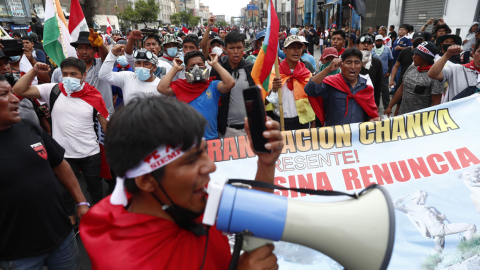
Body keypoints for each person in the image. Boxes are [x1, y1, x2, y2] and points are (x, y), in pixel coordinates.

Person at [79, 96, 282, 269]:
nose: (211, 167)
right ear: (146, 180)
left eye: (204, 151)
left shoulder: (182, 199)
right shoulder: (130, 261)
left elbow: (255, 216)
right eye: (192, 160)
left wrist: (265, 164)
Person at [0, 73, 89, 270]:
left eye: (13, 93)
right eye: (4, 94)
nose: (15, 99)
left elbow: (60, 164)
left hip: (61, 238)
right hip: (17, 254)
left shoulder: (29, 126)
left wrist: (81, 201)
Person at [14, 58, 110, 224]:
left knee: (94, 186)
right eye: (65, 74)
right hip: (63, 154)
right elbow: (19, 89)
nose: (69, 78)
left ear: (84, 75)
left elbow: (105, 125)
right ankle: (71, 222)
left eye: (74, 74)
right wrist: (34, 71)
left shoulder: (93, 95)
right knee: (65, 191)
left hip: (90, 152)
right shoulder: (52, 90)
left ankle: (97, 217)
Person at [157, 51, 235, 140]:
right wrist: (174, 69)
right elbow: (161, 88)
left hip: (211, 140)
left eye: (200, 64)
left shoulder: (212, 86)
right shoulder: (180, 86)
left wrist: (215, 64)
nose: (197, 68)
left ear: (205, 67)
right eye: (192, 65)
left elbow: (230, 83)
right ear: (186, 69)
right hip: (187, 142)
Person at [305, 48, 380, 126]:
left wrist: (373, 119)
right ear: (341, 65)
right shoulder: (331, 83)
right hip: (335, 136)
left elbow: (371, 113)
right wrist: (328, 69)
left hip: (358, 136)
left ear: (361, 65)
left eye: (357, 63)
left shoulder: (366, 86)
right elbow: (309, 89)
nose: (353, 67)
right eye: (349, 62)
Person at [51, 30, 114, 115]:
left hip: (103, 115)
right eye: (80, 48)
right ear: (77, 50)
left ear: (95, 50)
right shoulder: (60, 71)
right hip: (77, 116)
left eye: (88, 48)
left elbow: (107, 58)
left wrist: (101, 45)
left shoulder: (102, 65)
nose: (84, 51)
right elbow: (54, 93)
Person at [394, 190, 476, 253]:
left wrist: (441, 217)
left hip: (438, 228)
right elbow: (393, 205)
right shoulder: (410, 207)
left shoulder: (428, 207)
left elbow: (437, 218)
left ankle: (433, 263)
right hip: (437, 228)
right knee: (470, 226)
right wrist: (398, 200)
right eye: (423, 197)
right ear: (417, 197)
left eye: (425, 198)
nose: (424, 199)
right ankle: (468, 246)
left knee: (438, 249)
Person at [211, 31, 255, 138]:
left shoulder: (250, 68)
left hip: (249, 129)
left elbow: (258, 96)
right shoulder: (218, 68)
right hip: (226, 130)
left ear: (244, 48)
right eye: (231, 48)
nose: (236, 52)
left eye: (239, 47)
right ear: (225, 50)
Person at [267, 35, 315, 131]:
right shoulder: (274, 74)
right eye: (292, 48)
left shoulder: (307, 74)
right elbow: (265, 102)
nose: (296, 51)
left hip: (302, 122)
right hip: (280, 122)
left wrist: (313, 124)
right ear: (284, 50)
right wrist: (274, 89)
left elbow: (313, 101)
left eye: (299, 48)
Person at [385, 41, 443, 116]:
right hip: (402, 115)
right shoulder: (412, 67)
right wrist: (390, 106)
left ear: (426, 57)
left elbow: (436, 103)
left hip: (419, 120)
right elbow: (402, 88)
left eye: (417, 55)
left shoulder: (435, 77)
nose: (413, 57)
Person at [390, 31, 422, 97]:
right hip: (402, 82)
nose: (418, 42)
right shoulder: (404, 51)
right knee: (398, 103)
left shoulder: (426, 54)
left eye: (420, 40)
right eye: (417, 40)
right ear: (412, 40)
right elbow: (396, 66)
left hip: (418, 84)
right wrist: (392, 80)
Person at [357, 34, 383, 105]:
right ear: (357, 46)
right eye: (363, 43)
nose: (366, 45)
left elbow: (378, 85)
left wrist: (376, 104)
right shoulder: (351, 62)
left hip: (370, 100)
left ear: (372, 46)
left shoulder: (377, 63)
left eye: (369, 44)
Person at [372, 35, 393, 109]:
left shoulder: (387, 49)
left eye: (380, 40)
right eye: (377, 41)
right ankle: (374, 106)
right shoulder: (372, 50)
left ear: (382, 41)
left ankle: (387, 107)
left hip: (384, 74)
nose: (378, 42)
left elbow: (390, 60)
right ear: (375, 41)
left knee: (385, 91)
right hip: (374, 74)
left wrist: (389, 71)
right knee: (374, 90)